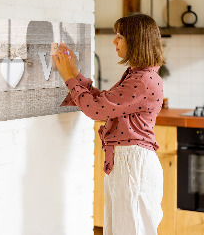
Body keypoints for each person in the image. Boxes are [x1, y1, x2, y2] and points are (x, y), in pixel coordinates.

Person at [53, 13, 165, 235]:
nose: (114, 41)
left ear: (136, 41)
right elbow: (104, 102)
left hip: (133, 164)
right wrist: (74, 72)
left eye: (120, 36)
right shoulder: (138, 75)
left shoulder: (142, 80)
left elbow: (96, 110)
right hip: (128, 162)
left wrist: (68, 77)